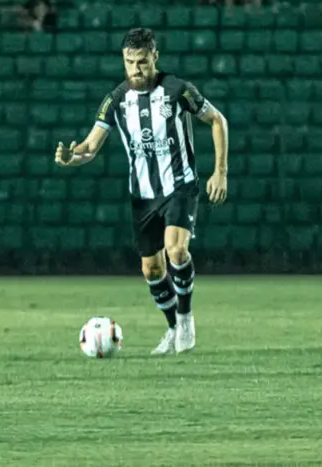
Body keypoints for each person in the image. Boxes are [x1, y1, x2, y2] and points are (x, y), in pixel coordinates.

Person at [54, 28, 229, 355]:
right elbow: (90, 147)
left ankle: (186, 316)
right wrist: (71, 158)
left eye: (143, 62)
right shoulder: (116, 99)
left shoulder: (178, 90)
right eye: (130, 62)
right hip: (143, 195)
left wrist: (220, 172)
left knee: (176, 251)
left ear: (155, 58)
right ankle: (173, 327)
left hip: (180, 185)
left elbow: (217, 120)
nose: (136, 69)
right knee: (152, 269)